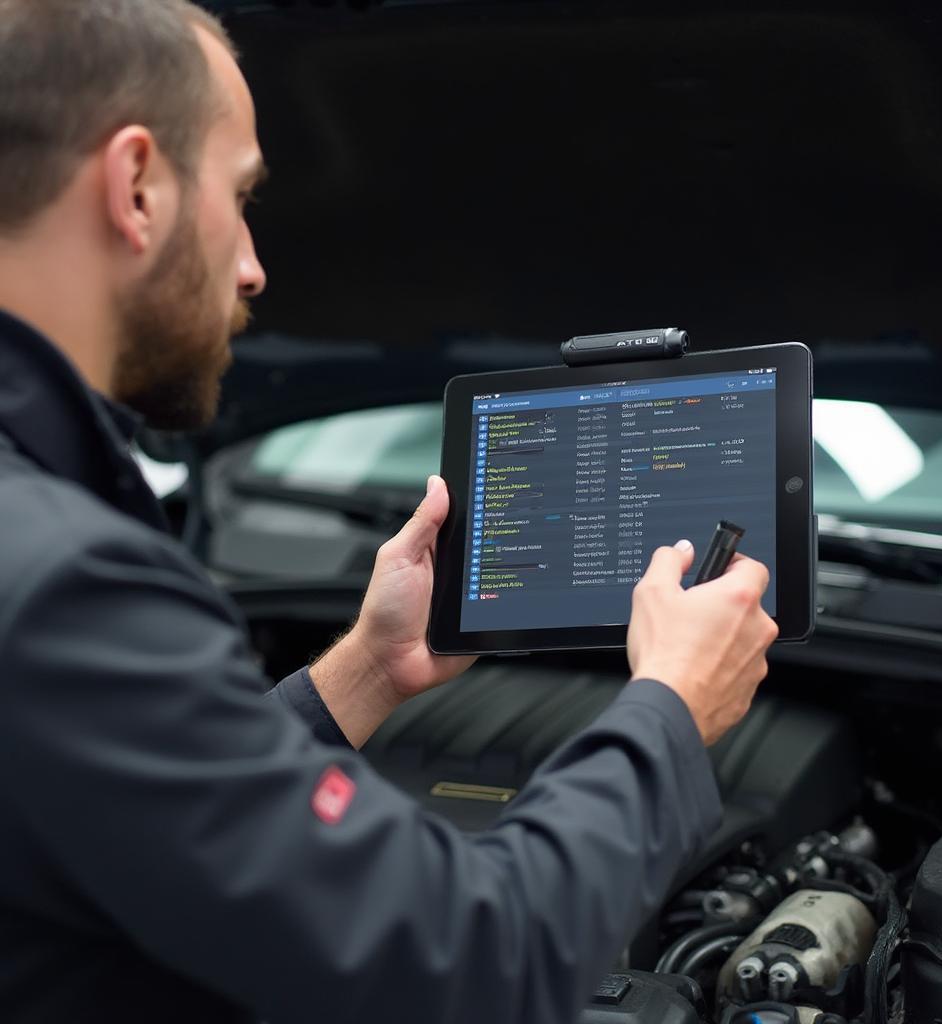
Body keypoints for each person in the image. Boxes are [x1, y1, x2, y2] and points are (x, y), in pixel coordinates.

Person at [0, 1, 779, 1021]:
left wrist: (364, 672)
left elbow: (113, 805)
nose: (253, 268)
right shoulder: (62, 585)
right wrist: (671, 708)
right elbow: (471, 957)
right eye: (241, 198)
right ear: (136, 185)